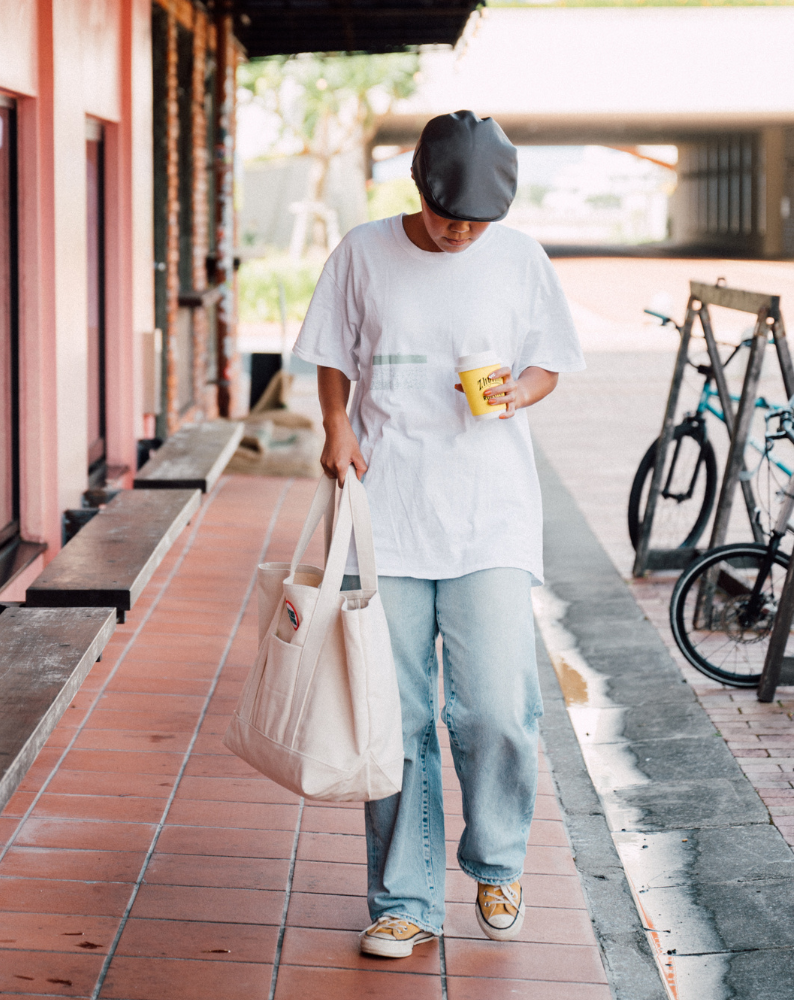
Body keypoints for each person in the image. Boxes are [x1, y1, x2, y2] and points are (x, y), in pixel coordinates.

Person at [291, 110, 585, 958]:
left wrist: (515, 396)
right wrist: (335, 426)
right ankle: (404, 899)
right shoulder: (362, 250)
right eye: (450, 215)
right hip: (390, 512)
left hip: (489, 513)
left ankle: (497, 860)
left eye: (478, 221)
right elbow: (333, 351)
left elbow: (550, 360)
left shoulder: (520, 257)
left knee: (496, 705)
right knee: (399, 712)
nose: (462, 233)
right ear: (420, 188)